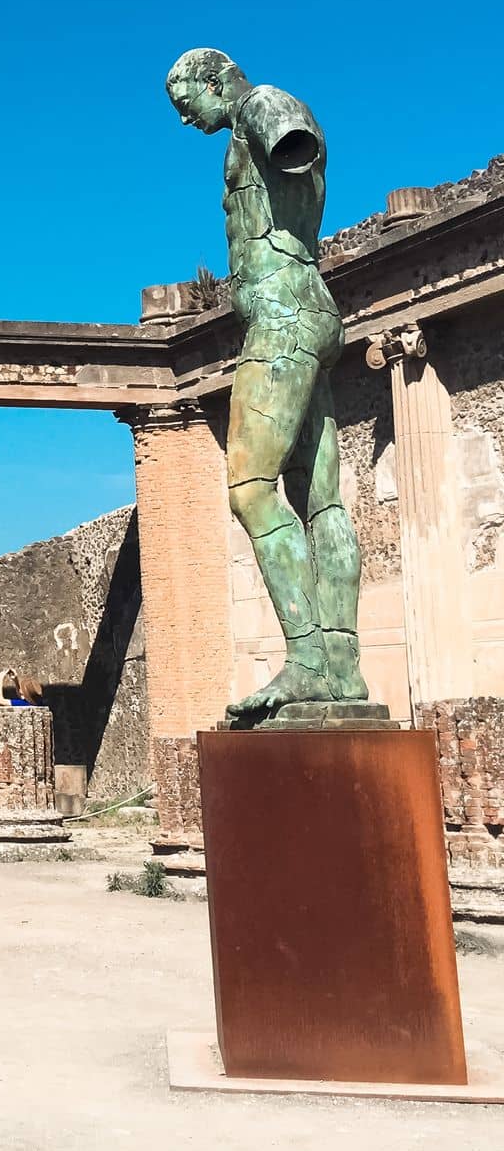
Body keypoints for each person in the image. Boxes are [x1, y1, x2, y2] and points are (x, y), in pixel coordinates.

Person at [166, 50, 366, 722]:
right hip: (312, 309)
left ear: (219, 79)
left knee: (251, 489)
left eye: (187, 100)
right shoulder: (245, 120)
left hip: (283, 315)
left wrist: (276, 127)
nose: (186, 117)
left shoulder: (259, 104)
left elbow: (293, 137)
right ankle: (342, 668)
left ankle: (309, 658)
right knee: (322, 502)